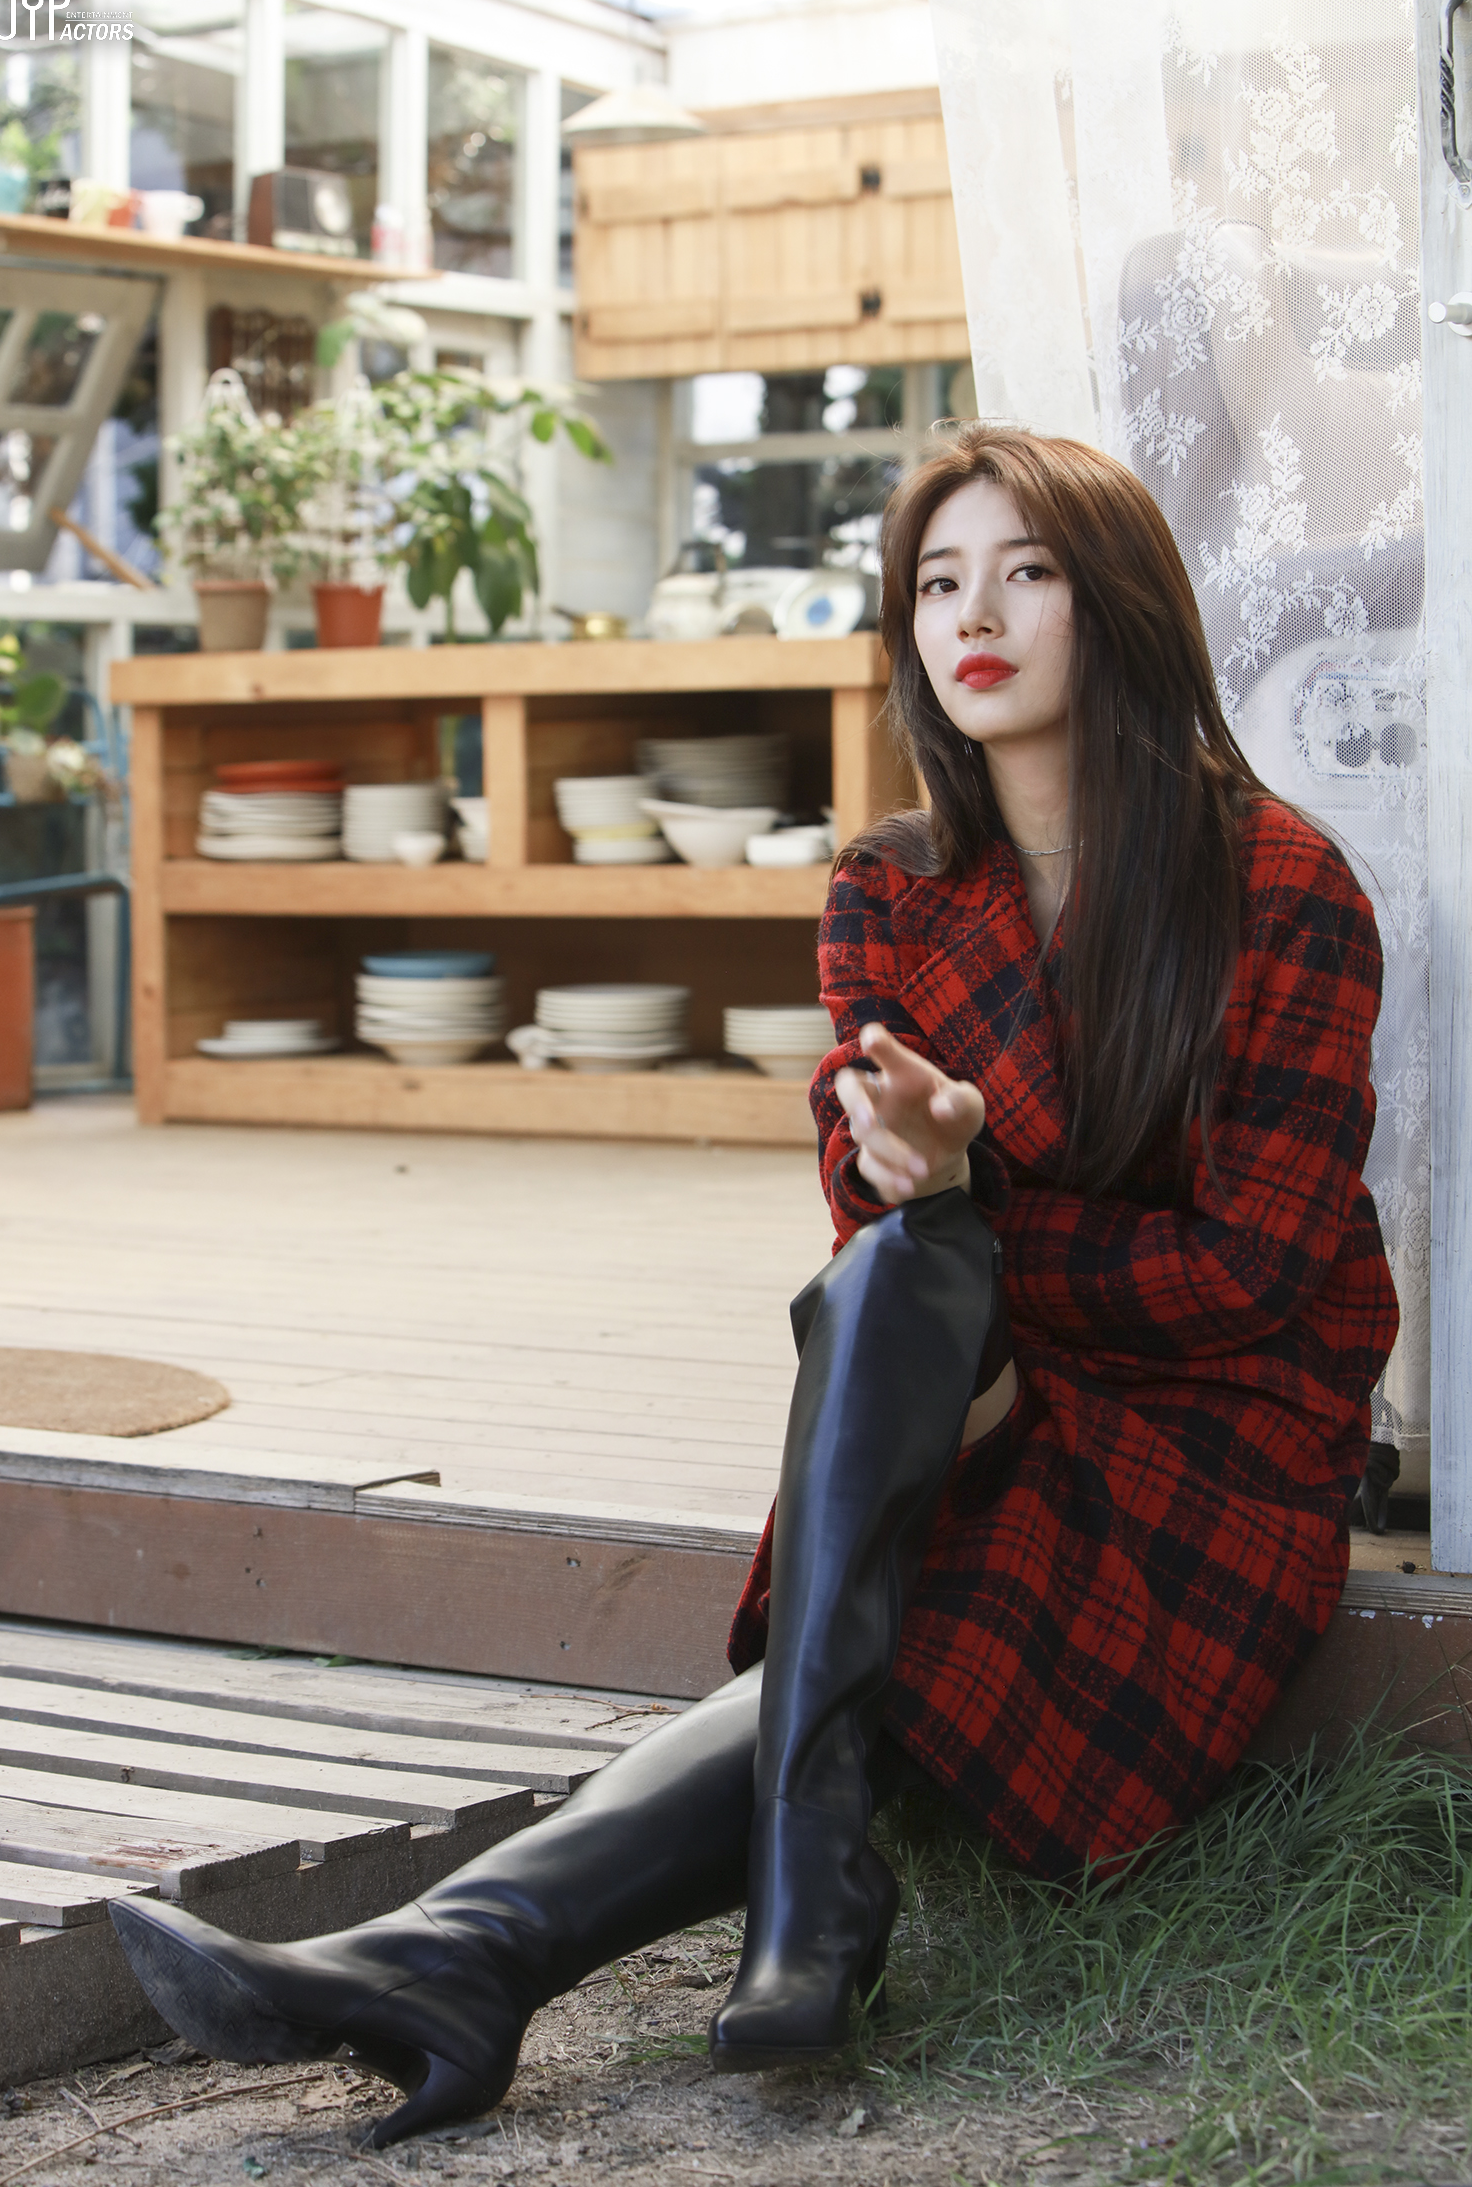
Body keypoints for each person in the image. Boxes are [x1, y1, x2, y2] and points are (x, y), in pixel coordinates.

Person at [109, 425, 1398, 2148]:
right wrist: (925, 1186)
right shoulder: (895, 886)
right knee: (891, 1274)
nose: (975, 616)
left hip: (1216, 1415)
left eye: (1028, 573)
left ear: (1124, 606)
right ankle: (743, 1902)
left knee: (916, 1419)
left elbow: (1255, 1267)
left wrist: (973, 1197)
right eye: (937, 581)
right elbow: (860, 1210)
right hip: (985, 1375)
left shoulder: (1281, 885)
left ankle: (496, 1948)